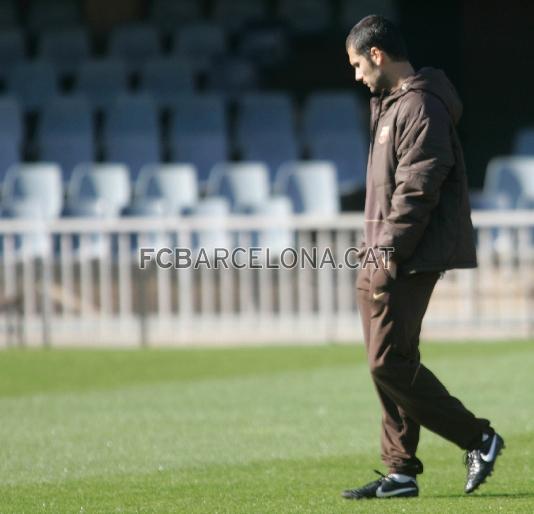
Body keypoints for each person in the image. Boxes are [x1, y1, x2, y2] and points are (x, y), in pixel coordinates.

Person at [342, 15, 504, 500]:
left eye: (355, 64)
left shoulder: (421, 106)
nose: (356, 76)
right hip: (381, 252)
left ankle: (478, 438)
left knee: (386, 365)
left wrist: (388, 254)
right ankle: (400, 472)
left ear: (377, 54)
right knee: (394, 363)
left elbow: (417, 188)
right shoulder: (390, 104)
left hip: (403, 256)